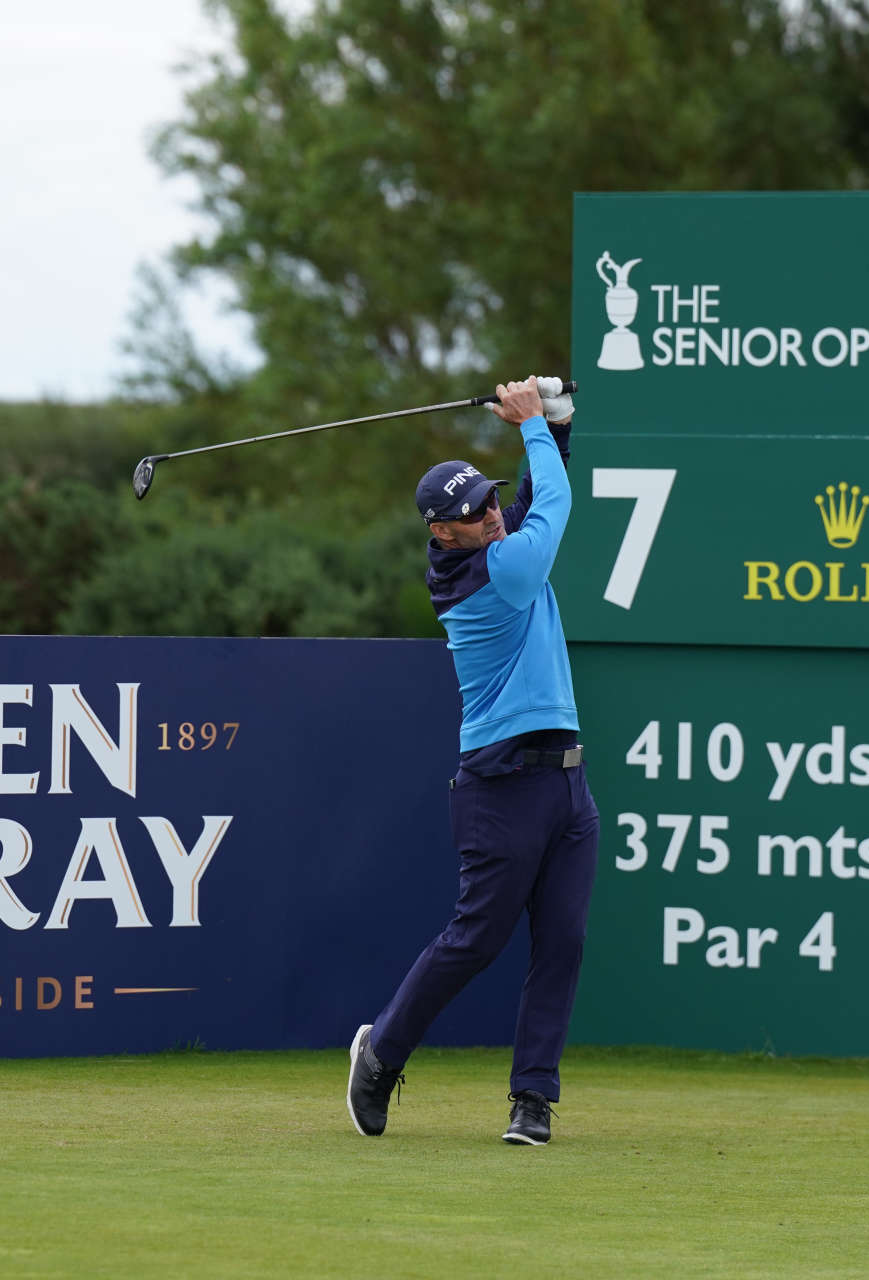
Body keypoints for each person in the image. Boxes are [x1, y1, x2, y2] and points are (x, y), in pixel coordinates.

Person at [346, 375, 600, 1146]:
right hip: (501, 788)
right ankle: (381, 1053)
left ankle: (532, 1100)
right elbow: (550, 513)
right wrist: (528, 424)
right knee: (475, 940)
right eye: (473, 515)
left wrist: (555, 423)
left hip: (566, 786)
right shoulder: (479, 575)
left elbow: (532, 493)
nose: (491, 515)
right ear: (441, 533)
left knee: (563, 941)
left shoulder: (493, 539)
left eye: (490, 504)